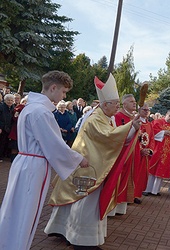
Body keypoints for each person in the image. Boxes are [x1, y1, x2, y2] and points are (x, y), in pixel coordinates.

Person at [44, 74, 141, 248]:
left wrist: (131, 128)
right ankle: (81, 239)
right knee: (84, 201)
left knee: (79, 200)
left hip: (89, 164)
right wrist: (131, 126)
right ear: (105, 104)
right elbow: (109, 137)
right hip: (87, 166)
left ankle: (63, 230)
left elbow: (114, 139)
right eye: (116, 104)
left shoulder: (104, 117)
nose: (118, 108)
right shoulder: (96, 118)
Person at [0, 71, 89, 250]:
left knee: (14, 209)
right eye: (63, 92)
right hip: (34, 167)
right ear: (53, 87)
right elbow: (54, 145)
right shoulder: (41, 112)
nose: (64, 96)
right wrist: (79, 159)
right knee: (26, 213)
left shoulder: (31, 108)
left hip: (24, 163)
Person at [144, 110, 170, 196]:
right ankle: (146, 189)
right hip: (156, 149)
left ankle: (155, 191)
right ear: (166, 115)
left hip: (167, 152)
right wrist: (163, 132)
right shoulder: (157, 122)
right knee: (152, 169)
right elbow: (151, 133)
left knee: (160, 172)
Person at [132, 103, 155, 204]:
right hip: (136, 153)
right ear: (139, 110)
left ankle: (136, 194)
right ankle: (130, 194)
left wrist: (149, 150)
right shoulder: (135, 122)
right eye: (144, 109)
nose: (146, 111)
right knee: (133, 174)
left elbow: (152, 139)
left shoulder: (149, 124)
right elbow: (133, 137)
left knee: (141, 176)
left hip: (145, 155)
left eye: (148, 110)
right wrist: (140, 149)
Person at [8, 95, 28, 162]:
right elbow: (15, 117)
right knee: (15, 148)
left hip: (23, 131)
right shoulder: (19, 108)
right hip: (16, 131)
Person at [0, 93, 15, 162]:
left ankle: (3, 155)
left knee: (6, 142)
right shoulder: (1, 107)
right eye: (8, 100)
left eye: (11, 100)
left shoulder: (13, 108)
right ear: (5, 100)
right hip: (2, 127)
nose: (10, 102)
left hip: (9, 128)